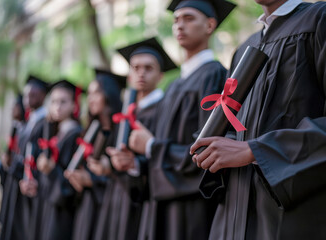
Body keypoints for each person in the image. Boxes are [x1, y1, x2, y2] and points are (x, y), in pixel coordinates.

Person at [190, 0, 326, 239]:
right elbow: (238, 124)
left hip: (290, 214)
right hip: (233, 212)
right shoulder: (244, 48)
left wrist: (256, 150)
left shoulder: (318, 19)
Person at [128, 0, 235, 239]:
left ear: (209, 25)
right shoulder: (173, 85)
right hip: (162, 201)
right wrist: (135, 163)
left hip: (191, 206)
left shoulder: (214, 75)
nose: (179, 26)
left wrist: (151, 147)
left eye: (188, 18)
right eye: (176, 20)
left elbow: (209, 148)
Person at [102, 37, 177, 240]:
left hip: (150, 198)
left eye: (148, 68)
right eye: (135, 68)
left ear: (161, 75)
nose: (141, 73)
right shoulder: (125, 113)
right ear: (128, 76)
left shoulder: (166, 108)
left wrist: (136, 164)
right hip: (120, 197)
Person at [64, 69, 125, 240]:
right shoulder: (90, 131)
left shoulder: (121, 130)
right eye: (89, 94)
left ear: (109, 94)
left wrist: (93, 180)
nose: (90, 98)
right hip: (86, 207)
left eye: (96, 92)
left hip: (110, 211)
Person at [0, 75, 48, 240]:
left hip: (30, 185)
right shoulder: (30, 121)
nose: (27, 99)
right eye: (26, 95)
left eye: (33, 95)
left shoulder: (45, 123)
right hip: (18, 181)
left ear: (42, 96)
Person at [36, 80, 83, 240]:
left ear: (74, 105)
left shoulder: (76, 135)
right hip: (48, 204)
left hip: (63, 209)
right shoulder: (55, 133)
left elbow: (71, 182)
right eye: (54, 101)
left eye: (63, 102)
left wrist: (50, 170)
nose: (57, 106)